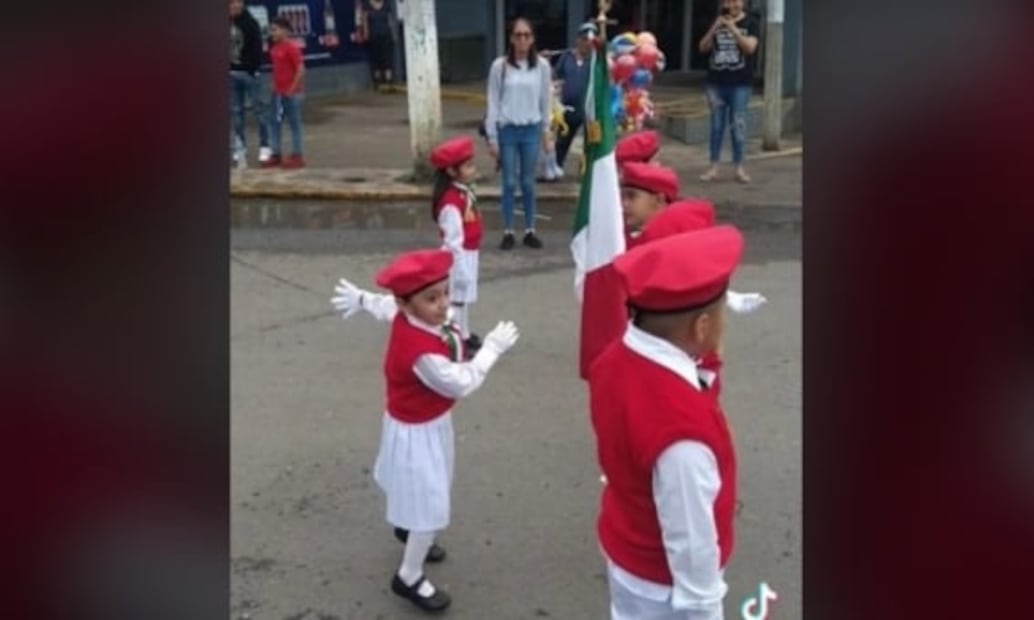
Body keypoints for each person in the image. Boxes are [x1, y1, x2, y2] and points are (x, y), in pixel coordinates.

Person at [590, 226, 744, 620]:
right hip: (664, 587)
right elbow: (691, 541)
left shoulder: (613, 360)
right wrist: (706, 609)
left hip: (628, 554)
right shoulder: (683, 435)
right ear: (702, 327)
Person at [365, 248, 520, 613]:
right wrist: (491, 350)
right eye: (431, 298)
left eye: (445, 293)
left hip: (429, 423)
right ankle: (408, 576)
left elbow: (385, 306)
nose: (443, 304)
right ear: (408, 304)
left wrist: (360, 299)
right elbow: (460, 382)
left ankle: (410, 529)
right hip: (416, 431)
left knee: (426, 489)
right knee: (430, 501)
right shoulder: (421, 353)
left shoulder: (417, 319)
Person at [484, 17, 553, 250]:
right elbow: (493, 101)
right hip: (508, 130)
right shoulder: (500, 66)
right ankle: (508, 230)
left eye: (527, 35)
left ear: (532, 38)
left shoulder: (542, 66)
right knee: (509, 182)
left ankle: (530, 229)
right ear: (511, 38)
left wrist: (546, 131)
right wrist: (492, 136)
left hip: (531, 129)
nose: (523, 39)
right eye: (518, 35)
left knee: (528, 182)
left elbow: (546, 100)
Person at [428, 136, 484, 352]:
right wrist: (459, 271)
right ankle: (455, 339)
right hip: (459, 256)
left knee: (464, 298)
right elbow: (453, 241)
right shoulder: (451, 203)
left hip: (469, 252)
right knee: (457, 300)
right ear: (452, 172)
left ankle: (465, 333)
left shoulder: (462, 191)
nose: (473, 170)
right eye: (468, 166)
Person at [698, 0, 760, 184]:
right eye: (728, 1)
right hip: (716, 83)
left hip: (740, 83)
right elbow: (702, 47)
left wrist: (733, 28)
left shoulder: (751, 23)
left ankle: (739, 167)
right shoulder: (716, 21)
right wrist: (715, 28)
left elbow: (750, 48)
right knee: (716, 126)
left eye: (736, 1)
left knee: (738, 125)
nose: (731, 5)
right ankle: (713, 166)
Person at [229, 0, 270, 169]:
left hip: (250, 75)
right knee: (237, 113)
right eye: (230, 4)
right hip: (232, 74)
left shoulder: (251, 23)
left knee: (258, 110)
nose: (233, 6)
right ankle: (240, 148)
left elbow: (258, 47)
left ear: (242, 4)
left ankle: (265, 147)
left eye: (236, 3)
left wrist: (253, 69)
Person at [552, 21, 597, 170]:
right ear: (578, 39)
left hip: (588, 109)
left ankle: (586, 170)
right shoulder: (567, 56)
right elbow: (557, 76)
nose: (587, 43)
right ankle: (556, 167)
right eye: (584, 39)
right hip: (568, 108)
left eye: (590, 41)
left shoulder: (596, 60)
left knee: (589, 143)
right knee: (562, 140)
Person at [264, 17, 306, 169]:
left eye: (275, 29)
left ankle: (297, 155)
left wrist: (292, 89)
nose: (272, 33)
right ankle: (276, 154)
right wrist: (273, 84)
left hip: (292, 95)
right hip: (277, 94)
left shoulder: (292, 47)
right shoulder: (274, 49)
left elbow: (301, 70)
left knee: (295, 124)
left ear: (285, 30)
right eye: (271, 30)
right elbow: (277, 70)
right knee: (274, 123)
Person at [619, 162, 680, 248]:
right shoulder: (623, 235)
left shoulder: (673, 242)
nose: (623, 204)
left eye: (632, 196)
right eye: (622, 197)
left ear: (659, 200)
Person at [362, 0, 398, 91]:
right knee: (376, 58)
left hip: (386, 35)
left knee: (387, 57)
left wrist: (393, 34)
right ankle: (377, 81)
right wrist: (366, 33)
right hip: (373, 36)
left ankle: (389, 80)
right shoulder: (367, 5)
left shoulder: (386, 4)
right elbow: (365, 20)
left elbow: (390, 20)